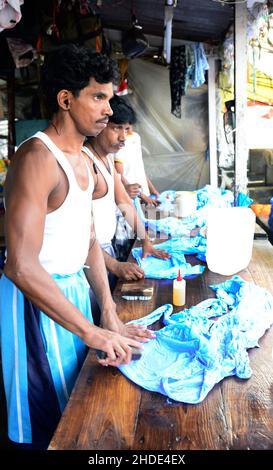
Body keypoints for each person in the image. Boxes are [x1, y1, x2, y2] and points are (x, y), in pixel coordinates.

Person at [0, 44, 153, 450]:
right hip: (34, 303)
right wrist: (92, 332)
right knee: (46, 421)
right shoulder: (36, 158)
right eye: (98, 97)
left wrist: (109, 314)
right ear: (66, 99)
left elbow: (87, 243)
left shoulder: (83, 159)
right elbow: (20, 266)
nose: (108, 109)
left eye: (109, 97)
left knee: (78, 404)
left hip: (72, 295)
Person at [82, 96, 169, 298]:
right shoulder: (84, 162)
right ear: (100, 125)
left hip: (105, 250)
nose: (123, 137)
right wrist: (114, 265)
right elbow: (81, 235)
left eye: (126, 129)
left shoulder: (107, 160)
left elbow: (124, 203)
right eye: (116, 128)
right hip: (89, 258)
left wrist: (146, 240)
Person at [114, 122, 160, 207]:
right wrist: (142, 195)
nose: (127, 131)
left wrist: (152, 189)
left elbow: (139, 168)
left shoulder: (136, 137)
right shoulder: (119, 142)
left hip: (144, 195)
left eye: (128, 127)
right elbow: (120, 176)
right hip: (131, 196)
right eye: (121, 128)